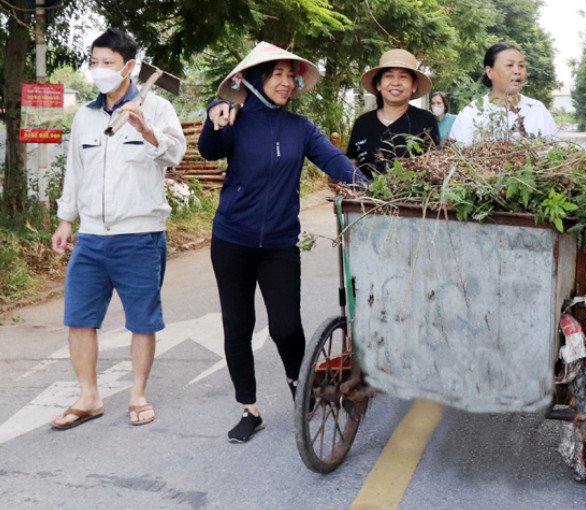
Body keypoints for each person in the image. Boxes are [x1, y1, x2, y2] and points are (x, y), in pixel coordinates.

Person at [200, 42, 369, 443]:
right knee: (238, 325)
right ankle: (249, 409)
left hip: (279, 243)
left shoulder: (302, 128)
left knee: (286, 326)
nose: (286, 82)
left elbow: (337, 164)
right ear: (257, 79)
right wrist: (213, 112)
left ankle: (299, 382)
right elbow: (209, 150)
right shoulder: (235, 120)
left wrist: (380, 191)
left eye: (290, 75)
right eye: (276, 73)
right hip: (232, 240)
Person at [50, 27, 187, 429]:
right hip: (91, 235)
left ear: (129, 66)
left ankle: (138, 393)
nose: (99, 70)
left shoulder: (158, 108)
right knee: (79, 317)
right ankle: (88, 397)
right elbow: (76, 172)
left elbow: (175, 154)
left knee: (141, 319)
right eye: (94, 63)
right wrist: (65, 219)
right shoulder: (85, 116)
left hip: (140, 234)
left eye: (106, 63)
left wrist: (145, 129)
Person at [344, 49, 440, 178]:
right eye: (389, 76)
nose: (395, 83)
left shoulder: (425, 121)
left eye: (403, 77)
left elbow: (435, 166)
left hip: (410, 197)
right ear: (379, 84)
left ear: (414, 85)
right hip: (364, 196)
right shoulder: (363, 123)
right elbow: (351, 164)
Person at [449, 43, 557, 144]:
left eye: (521, 66)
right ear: (490, 72)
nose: (517, 71)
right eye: (509, 65)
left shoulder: (537, 110)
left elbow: (553, 153)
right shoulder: (471, 113)